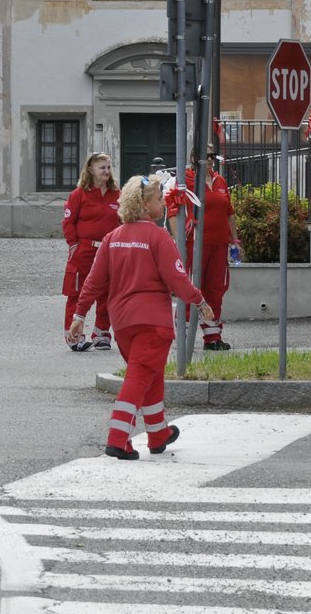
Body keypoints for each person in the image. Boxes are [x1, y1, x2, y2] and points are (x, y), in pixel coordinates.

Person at [69, 175, 214, 460]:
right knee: (138, 378)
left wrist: (79, 315)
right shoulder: (158, 236)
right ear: (146, 205)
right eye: (160, 198)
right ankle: (118, 438)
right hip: (153, 322)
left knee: (149, 374)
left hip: (122, 324)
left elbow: (94, 282)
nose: (163, 203)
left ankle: (158, 433)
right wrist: (199, 301)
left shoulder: (112, 238)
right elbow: (177, 279)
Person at [61, 152, 121, 352]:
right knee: (77, 293)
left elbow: (123, 220)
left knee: (107, 293)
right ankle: (74, 336)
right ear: (90, 170)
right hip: (85, 250)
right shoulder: (79, 194)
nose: (106, 171)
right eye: (102, 167)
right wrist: (74, 245)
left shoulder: (117, 194)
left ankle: (102, 334)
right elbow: (68, 222)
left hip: (108, 251)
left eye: (108, 167)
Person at [185, 152, 239, 350]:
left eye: (211, 155)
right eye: (204, 154)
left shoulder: (220, 181)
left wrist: (235, 239)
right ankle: (184, 335)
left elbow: (229, 212)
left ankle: (212, 337)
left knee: (216, 289)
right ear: (194, 157)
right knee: (192, 288)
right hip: (196, 243)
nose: (208, 158)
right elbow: (176, 209)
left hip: (219, 243)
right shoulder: (187, 179)